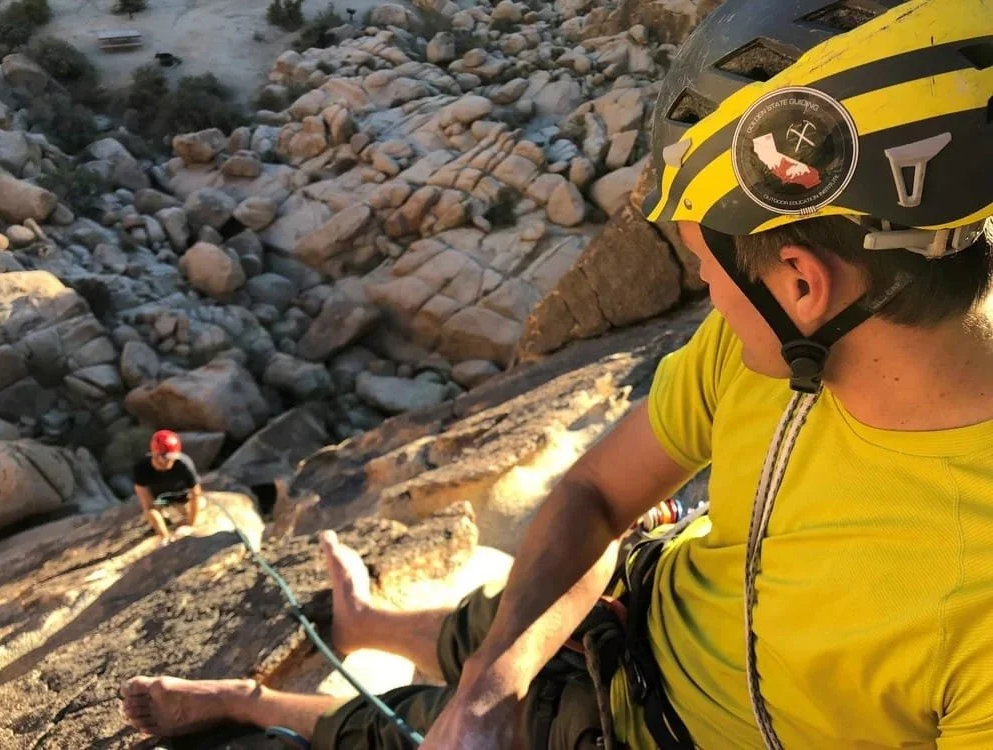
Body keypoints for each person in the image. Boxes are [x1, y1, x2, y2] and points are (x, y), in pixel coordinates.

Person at [120, 0, 993, 747]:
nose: (698, 286)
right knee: (488, 636)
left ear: (803, 283)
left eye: (705, 262)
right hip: (647, 607)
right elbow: (595, 497)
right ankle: (373, 625)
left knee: (398, 730)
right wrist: (492, 688)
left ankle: (260, 703)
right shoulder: (762, 349)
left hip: (648, 728)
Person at [133, 429, 205, 545]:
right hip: (159, 500)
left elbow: (196, 494)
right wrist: (165, 535)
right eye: (166, 457)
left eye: (173, 456)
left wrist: (191, 525)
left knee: (200, 505)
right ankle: (164, 518)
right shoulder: (142, 468)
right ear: (155, 454)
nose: (170, 461)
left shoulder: (183, 464)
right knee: (152, 516)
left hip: (181, 497)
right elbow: (148, 505)